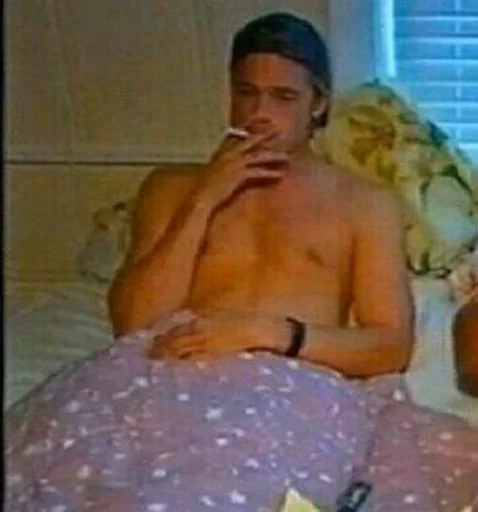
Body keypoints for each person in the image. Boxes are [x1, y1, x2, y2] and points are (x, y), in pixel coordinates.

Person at [108, 12, 414, 378]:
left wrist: (271, 333)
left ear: (318, 104)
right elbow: (132, 324)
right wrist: (203, 200)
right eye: (246, 93)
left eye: (283, 97)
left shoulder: (365, 204)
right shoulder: (171, 187)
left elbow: (390, 347)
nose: (259, 114)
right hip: (173, 375)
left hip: (291, 381)